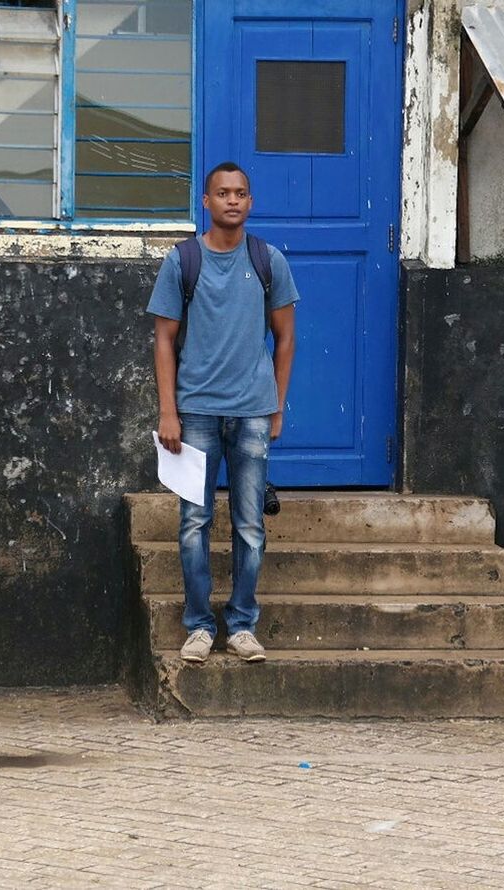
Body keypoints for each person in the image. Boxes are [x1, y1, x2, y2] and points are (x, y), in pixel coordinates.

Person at [147, 161, 299, 664]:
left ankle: (241, 625)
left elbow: (285, 339)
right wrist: (169, 411)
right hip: (195, 414)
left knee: (250, 525)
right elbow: (164, 340)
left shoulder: (268, 260)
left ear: (250, 203)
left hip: (253, 411)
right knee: (194, 522)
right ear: (206, 202)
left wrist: (275, 407)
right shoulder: (182, 261)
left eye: (241, 193)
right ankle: (197, 626)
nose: (232, 200)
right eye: (222, 193)